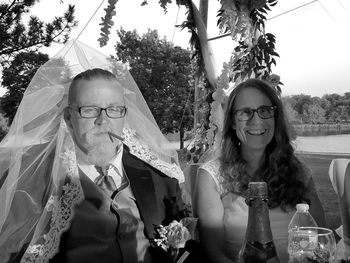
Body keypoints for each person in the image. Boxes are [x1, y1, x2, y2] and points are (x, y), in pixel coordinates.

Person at [0, 40, 194, 263]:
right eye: (89, 110)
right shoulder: (32, 185)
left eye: (113, 109)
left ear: (124, 115)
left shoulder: (161, 178)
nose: (103, 121)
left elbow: (187, 251)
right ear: (68, 119)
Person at [192, 78, 328, 262]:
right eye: (245, 112)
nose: (256, 121)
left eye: (264, 111)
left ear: (275, 118)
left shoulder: (300, 172)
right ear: (232, 122)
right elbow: (215, 255)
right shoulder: (211, 176)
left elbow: (322, 239)